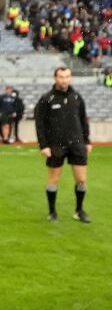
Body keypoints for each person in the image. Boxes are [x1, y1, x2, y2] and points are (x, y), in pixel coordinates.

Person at [34, 67, 91, 223]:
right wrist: (43, 145)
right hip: (56, 146)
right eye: (61, 77)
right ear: (55, 78)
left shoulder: (77, 97)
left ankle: (79, 211)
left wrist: (87, 141)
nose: (64, 80)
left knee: (81, 180)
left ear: (71, 78)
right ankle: (52, 212)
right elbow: (40, 124)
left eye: (67, 77)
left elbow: (83, 120)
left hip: (77, 144)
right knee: (54, 179)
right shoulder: (47, 98)